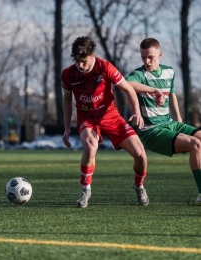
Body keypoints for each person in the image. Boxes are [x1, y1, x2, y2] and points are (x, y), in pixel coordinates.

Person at [62, 36, 158, 208]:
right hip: (87, 118)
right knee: (91, 147)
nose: (80, 65)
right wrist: (67, 127)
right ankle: (85, 190)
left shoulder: (105, 67)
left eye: (84, 61)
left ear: (93, 55)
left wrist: (137, 112)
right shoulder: (68, 74)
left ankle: (139, 186)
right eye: (77, 61)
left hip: (111, 116)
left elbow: (129, 89)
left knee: (141, 154)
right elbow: (67, 100)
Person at [126, 37, 201, 205]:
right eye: (143, 57)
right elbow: (128, 84)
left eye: (150, 57)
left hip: (170, 124)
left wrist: (180, 121)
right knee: (195, 144)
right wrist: (154, 90)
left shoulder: (169, 72)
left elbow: (172, 94)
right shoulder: (140, 74)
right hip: (151, 131)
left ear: (160, 55)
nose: (147, 61)